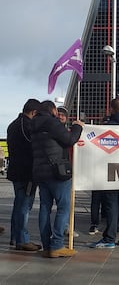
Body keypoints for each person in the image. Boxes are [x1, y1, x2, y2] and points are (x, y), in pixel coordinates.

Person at [31, 100, 83, 258]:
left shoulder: (33, 125)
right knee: (63, 207)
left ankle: (47, 246)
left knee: (45, 208)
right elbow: (69, 139)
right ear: (53, 110)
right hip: (57, 172)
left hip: (40, 172)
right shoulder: (52, 123)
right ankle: (57, 245)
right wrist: (77, 126)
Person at [89, 98, 119, 248]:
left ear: (111, 109)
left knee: (111, 204)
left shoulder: (108, 126)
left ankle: (109, 238)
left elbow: (97, 146)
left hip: (110, 170)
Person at [7, 98, 41, 251]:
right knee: (24, 206)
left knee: (18, 204)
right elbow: (33, 146)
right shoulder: (27, 126)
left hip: (15, 170)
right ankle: (22, 239)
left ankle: (15, 237)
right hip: (26, 172)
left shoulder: (13, 124)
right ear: (34, 112)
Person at [57, 106, 80, 238]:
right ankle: (60, 230)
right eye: (58, 114)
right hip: (56, 171)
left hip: (68, 170)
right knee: (61, 204)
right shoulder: (53, 131)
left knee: (67, 202)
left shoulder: (69, 132)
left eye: (63, 115)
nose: (60, 116)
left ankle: (66, 227)